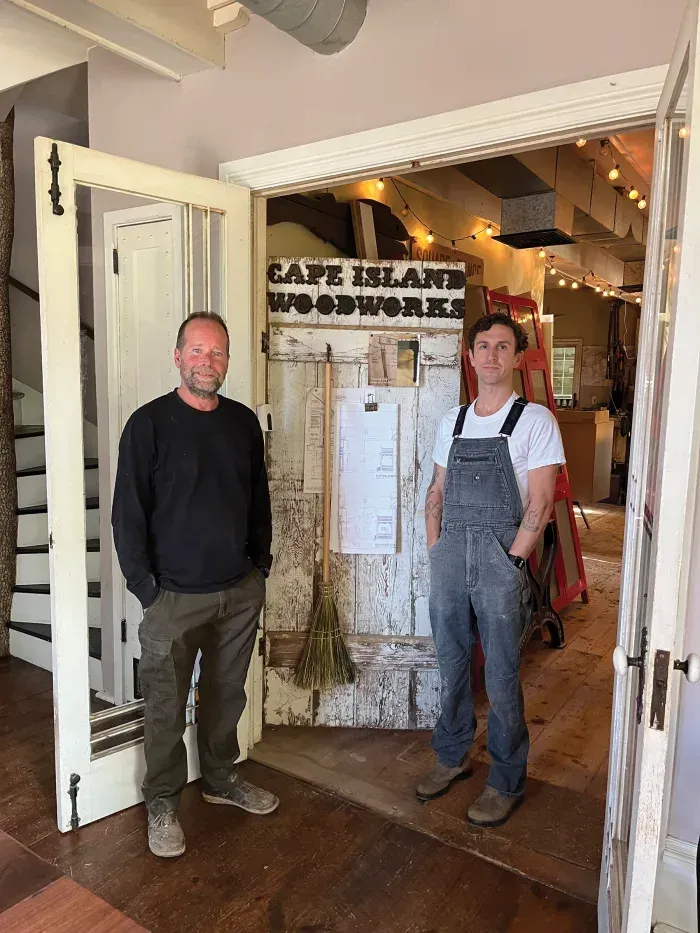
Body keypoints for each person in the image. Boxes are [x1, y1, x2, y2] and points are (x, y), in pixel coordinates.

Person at [112, 311, 276, 859]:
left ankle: (221, 780)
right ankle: (162, 800)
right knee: (165, 704)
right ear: (178, 356)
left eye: (219, 352)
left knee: (226, 697)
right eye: (199, 351)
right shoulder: (148, 425)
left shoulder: (242, 423)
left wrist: (261, 568)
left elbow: (258, 499)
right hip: (173, 599)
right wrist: (147, 591)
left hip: (238, 592)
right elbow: (127, 516)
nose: (209, 362)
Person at [416, 312, 565, 828]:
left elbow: (541, 503)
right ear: (470, 354)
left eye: (503, 347)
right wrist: (437, 550)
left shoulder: (535, 420)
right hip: (451, 557)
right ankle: (451, 756)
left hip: (503, 557)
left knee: (501, 675)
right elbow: (436, 492)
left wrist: (513, 560)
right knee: (451, 665)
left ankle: (505, 779)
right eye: (483, 346)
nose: (492, 355)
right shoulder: (452, 421)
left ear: (517, 357)